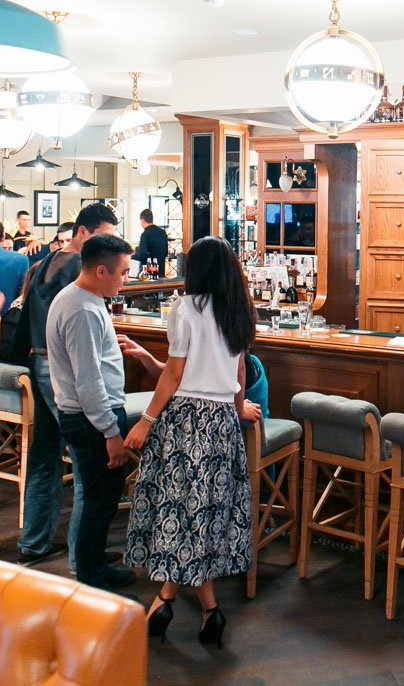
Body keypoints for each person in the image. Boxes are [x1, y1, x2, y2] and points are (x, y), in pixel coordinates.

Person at [123, 236, 261, 647]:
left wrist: (146, 420)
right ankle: (205, 609)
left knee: (180, 510)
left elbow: (175, 374)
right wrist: (237, 409)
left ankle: (167, 602)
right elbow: (239, 374)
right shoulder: (240, 311)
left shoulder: (186, 309)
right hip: (222, 423)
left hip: (186, 421)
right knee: (202, 514)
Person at [13, 204, 120, 567]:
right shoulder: (79, 269)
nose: (109, 245)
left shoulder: (49, 260)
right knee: (86, 461)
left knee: (44, 456)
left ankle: (34, 542)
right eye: (104, 236)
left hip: (38, 361)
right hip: (61, 367)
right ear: (83, 232)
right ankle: (82, 557)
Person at [48, 234, 139, 593]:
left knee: (102, 497)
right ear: (101, 270)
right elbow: (88, 381)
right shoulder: (81, 309)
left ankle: (95, 565)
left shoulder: (83, 299)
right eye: (123, 272)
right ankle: (91, 581)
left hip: (90, 415)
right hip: (91, 420)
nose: (125, 280)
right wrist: (111, 433)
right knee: (98, 501)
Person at [134, 208, 170, 278]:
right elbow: (166, 252)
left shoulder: (145, 234)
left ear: (142, 220)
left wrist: (133, 256)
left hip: (148, 271)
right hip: (161, 270)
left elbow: (142, 254)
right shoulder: (162, 232)